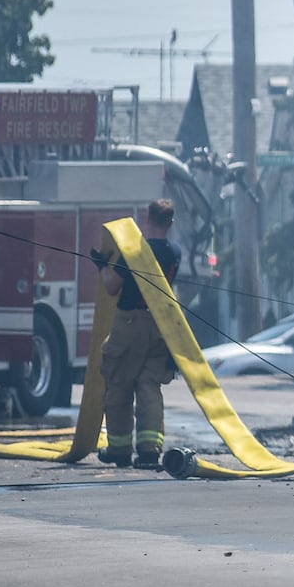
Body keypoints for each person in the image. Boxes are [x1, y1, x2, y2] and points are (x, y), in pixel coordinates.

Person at [95, 199, 182, 470]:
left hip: (129, 322)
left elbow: (111, 287)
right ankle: (149, 450)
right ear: (171, 223)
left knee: (119, 382)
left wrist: (101, 266)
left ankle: (120, 449)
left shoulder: (134, 250)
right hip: (160, 325)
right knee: (149, 386)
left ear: (147, 217)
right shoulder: (175, 253)